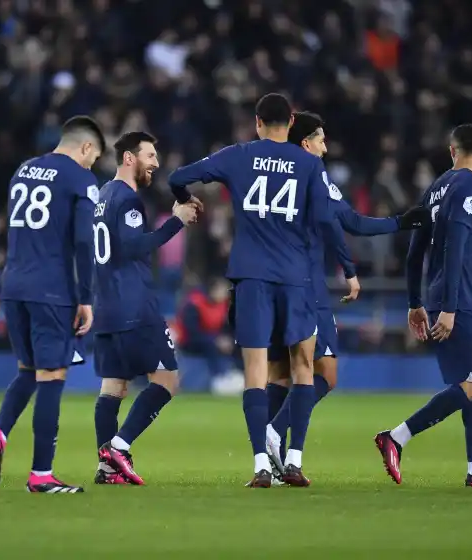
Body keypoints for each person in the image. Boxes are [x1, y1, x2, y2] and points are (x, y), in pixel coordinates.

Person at [168, 93, 350, 488]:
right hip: (295, 279)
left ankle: (260, 467)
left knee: (256, 373)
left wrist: (186, 201)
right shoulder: (309, 164)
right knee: (303, 368)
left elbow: (177, 176)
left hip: (251, 277)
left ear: (257, 123)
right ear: (291, 122)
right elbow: (324, 218)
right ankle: (295, 461)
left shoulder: (239, 155)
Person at [262, 111, 429, 483]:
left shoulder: (271, 171)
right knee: (325, 372)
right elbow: (346, 221)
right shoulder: (312, 172)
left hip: (267, 283)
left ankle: (277, 464)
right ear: (306, 143)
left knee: (282, 376)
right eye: (321, 139)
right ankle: (274, 435)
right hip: (304, 285)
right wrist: (398, 224)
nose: (326, 146)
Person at [374, 124, 472, 488]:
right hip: (460, 298)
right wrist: (451, 308)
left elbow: (414, 252)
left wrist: (414, 302)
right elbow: (455, 246)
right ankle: (396, 437)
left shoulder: (435, 189)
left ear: (452, 150)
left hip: (441, 295)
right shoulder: (471, 189)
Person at [0, 116, 102, 494]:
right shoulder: (81, 179)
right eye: (93, 157)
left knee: (28, 370)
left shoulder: (24, 169)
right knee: (52, 377)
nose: (91, 165)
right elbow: (84, 242)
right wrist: (85, 297)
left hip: (14, 283)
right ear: (84, 147)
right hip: (52, 288)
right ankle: (42, 474)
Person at [93, 132, 197, 486]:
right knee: (167, 380)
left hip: (105, 305)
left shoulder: (102, 196)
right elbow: (136, 246)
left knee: (113, 388)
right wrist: (177, 220)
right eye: (149, 155)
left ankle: (107, 468)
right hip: (134, 304)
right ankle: (118, 449)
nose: (155, 162)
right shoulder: (128, 199)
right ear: (128, 158)